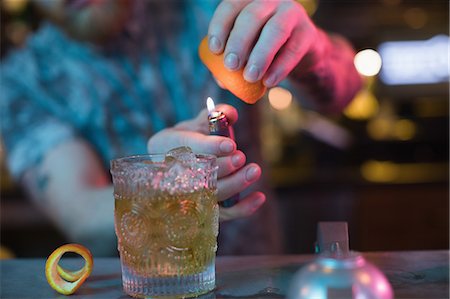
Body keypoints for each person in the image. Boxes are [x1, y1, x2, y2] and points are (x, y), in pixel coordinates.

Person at [1, 0, 362, 256]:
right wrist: (156, 181)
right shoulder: (23, 83)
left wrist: (312, 53)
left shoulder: (209, 9)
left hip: (256, 280)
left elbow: (344, 91)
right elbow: (83, 218)